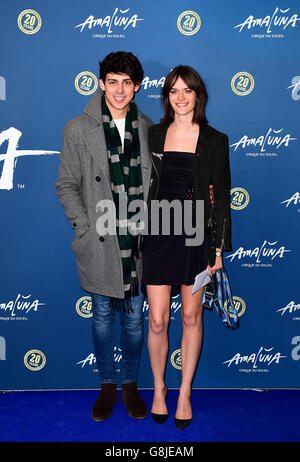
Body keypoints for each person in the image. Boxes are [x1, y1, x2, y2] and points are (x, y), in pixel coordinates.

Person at [55, 51, 153, 422]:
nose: (119, 90)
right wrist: (83, 224)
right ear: (101, 83)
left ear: (137, 87)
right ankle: (107, 386)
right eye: (112, 81)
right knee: (100, 316)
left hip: (138, 239)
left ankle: (130, 385)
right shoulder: (78, 127)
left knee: (133, 319)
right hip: (98, 237)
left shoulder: (147, 127)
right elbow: (65, 184)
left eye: (127, 83)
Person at [142, 65, 232, 429]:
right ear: (166, 96)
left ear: (198, 95)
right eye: (173, 91)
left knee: (192, 316)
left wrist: (218, 251)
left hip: (197, 234)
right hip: (159, 231)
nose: (180, 98)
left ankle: (184, 393)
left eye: (187, 91)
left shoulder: (215, 140)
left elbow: (222, 198)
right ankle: (160, 390)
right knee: (158, 319)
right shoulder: (151, 135)